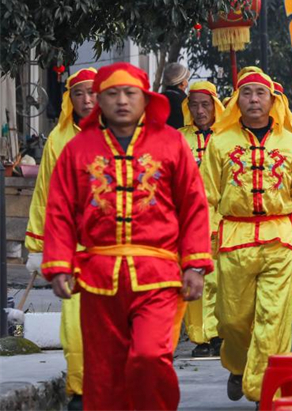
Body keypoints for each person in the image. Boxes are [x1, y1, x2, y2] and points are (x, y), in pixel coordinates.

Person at [42, 63, 212, 411]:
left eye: (130, 93)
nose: (121, 101)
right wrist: (59, 264)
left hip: (158, 276)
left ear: (145, 98)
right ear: (99, 100)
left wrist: (195, 264)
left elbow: (193, 205)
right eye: (112, 94)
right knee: (103, 370)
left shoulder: (171, 143)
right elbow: (59, 208)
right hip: (98, 277)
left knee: (150, 356)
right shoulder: (78, 148)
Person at [200, 67, 292, 403]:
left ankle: (263, 391)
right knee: (232, 319)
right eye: (247, 93)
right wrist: (204, 238)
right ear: (238, 100)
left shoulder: (291, 143)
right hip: (233, 237)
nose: (254, 100)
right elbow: (206, 196)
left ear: (272, 101)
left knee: (274, 318)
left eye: (260, 94)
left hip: (279, 237)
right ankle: (238, 367)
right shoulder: (220, 143)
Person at [26, 67, 96, 411]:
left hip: (118, 248)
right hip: (75, 247)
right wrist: (39, 246)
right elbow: (46, 195)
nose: (87, 100)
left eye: (93, 92)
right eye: (79, 93)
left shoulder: (125, 134)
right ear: (69, 98)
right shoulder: (57, 139)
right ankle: (80, 390)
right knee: (74, 326)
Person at [178, 81, 225, 358]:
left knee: (222, 279)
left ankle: (222, 333)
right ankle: (201, 337)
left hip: (223, 219)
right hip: (189, 220)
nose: (199, 110)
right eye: (193, 104)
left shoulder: (227, 137)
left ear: (215, 106)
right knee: (195, 277)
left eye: (205, 104)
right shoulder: (178, 138)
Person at [161, 62, 191, 129]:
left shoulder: (157, 100)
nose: (187, 83)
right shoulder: (185, 102)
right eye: (186, 79)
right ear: (182, 83)